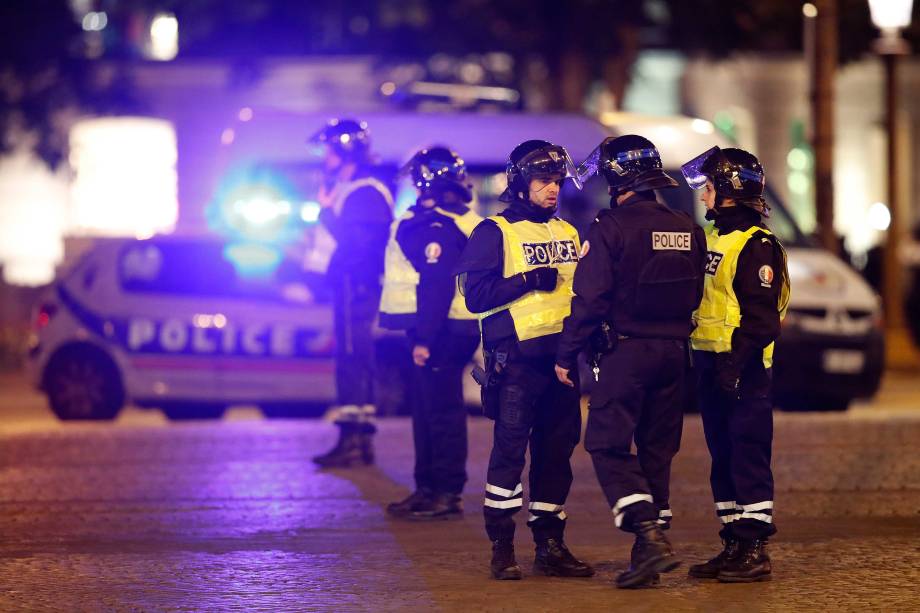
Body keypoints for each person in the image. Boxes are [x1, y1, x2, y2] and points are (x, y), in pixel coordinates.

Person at [554, 135, 706, 589]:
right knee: (657, 452)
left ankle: (645, 531)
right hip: (675, 355)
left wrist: (568, 353)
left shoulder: (610, 226)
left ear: (617, 179)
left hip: (626, 352)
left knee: (606, 444)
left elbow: (590, 298)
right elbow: (695, 291)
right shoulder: (686, 225)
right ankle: (648, 557)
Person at [456, 140, 594, 580]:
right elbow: (475, 298)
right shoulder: (493, 232)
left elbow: (579, 296)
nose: (552, 190)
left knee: (556, 455)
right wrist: (529, 279)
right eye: (543, 181)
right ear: (520, 183)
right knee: (509, 457)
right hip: (515, 364)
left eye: (556, 181)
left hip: (562, 364)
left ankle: (550, 546)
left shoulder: (568, 232)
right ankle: (501, 546)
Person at [680, 146, 790, 583]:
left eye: (708, 189)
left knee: (747, 457)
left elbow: (762, 318)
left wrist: (735, 363)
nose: (703, 197)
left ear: (727, 193)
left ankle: (755, 548)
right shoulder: (714, 240)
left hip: (742, 370)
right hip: (712, 365)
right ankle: (733, 543)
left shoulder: (756, 246)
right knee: (722, 457)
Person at [380, 147, 482, 520]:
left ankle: (446, 491)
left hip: (441, 329)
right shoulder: (458, 218)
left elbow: (437, 283)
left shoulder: (436, 224)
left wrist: (424, 338)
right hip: (448, 326)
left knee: (440, 412)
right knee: (427, 410)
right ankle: (428, 488)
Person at [308, 119, 394, 468]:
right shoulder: (350, 189)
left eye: (329, 150)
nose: (324, 158)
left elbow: (360, 245)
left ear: (345, 151)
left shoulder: (365, 192)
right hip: (348, 286)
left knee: (352, 360)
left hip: (356, 287)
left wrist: (327, 212)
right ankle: (356, 440)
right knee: (351, 359)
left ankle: (355, 442)